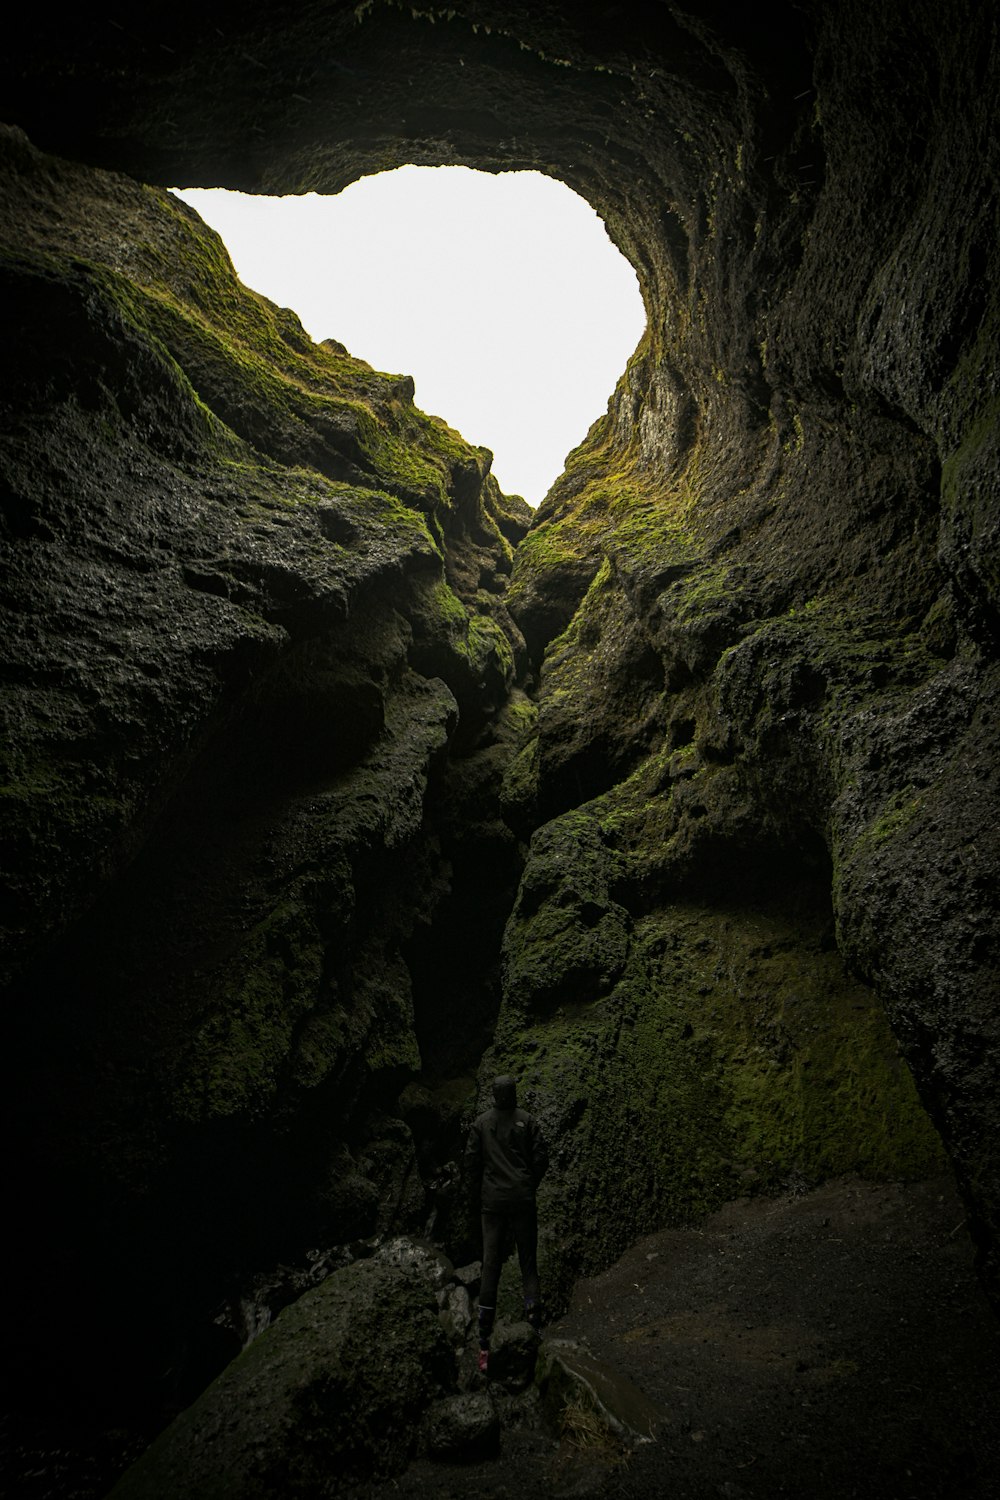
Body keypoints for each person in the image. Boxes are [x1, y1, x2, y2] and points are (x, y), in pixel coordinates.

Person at [464, 1074, 549, 1374]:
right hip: (522, 1201)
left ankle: (484, 1342)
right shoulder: (528, 1121)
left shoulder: (481, 1124)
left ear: (493, 1095)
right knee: (528, 1262)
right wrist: (527, 1184)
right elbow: (541, 1158)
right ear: (513, 1093)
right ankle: (534, 1326)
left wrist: (480, 1197)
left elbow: (472, 1165)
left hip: (493, 1203)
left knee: (491, 1264)